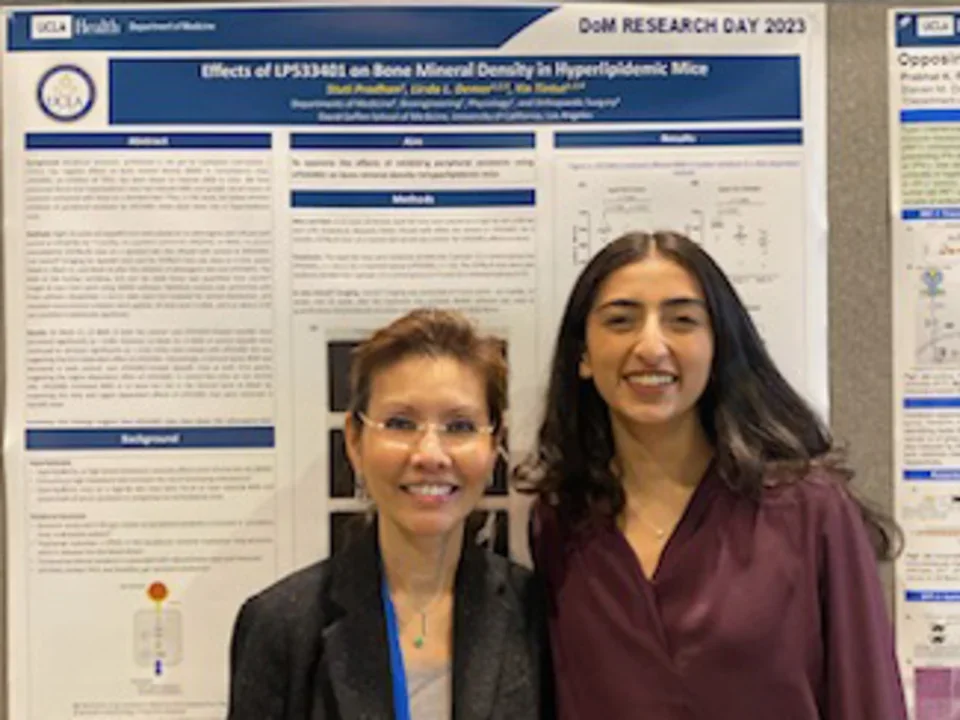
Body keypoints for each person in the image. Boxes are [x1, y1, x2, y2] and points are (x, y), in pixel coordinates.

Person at [516, 231, 907, 719]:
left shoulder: (809, 510)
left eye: (682, 320)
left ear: (718, 345)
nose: (651, 345)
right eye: (621, 321)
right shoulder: (561, 522)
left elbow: (867, 701)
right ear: (584, 356)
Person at [229, 308, 549, 720]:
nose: (430, 454)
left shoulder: (540, 615)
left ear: (494, 448)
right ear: (355, 440)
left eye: (459, 426)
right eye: (400, 422)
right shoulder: (283, 624)